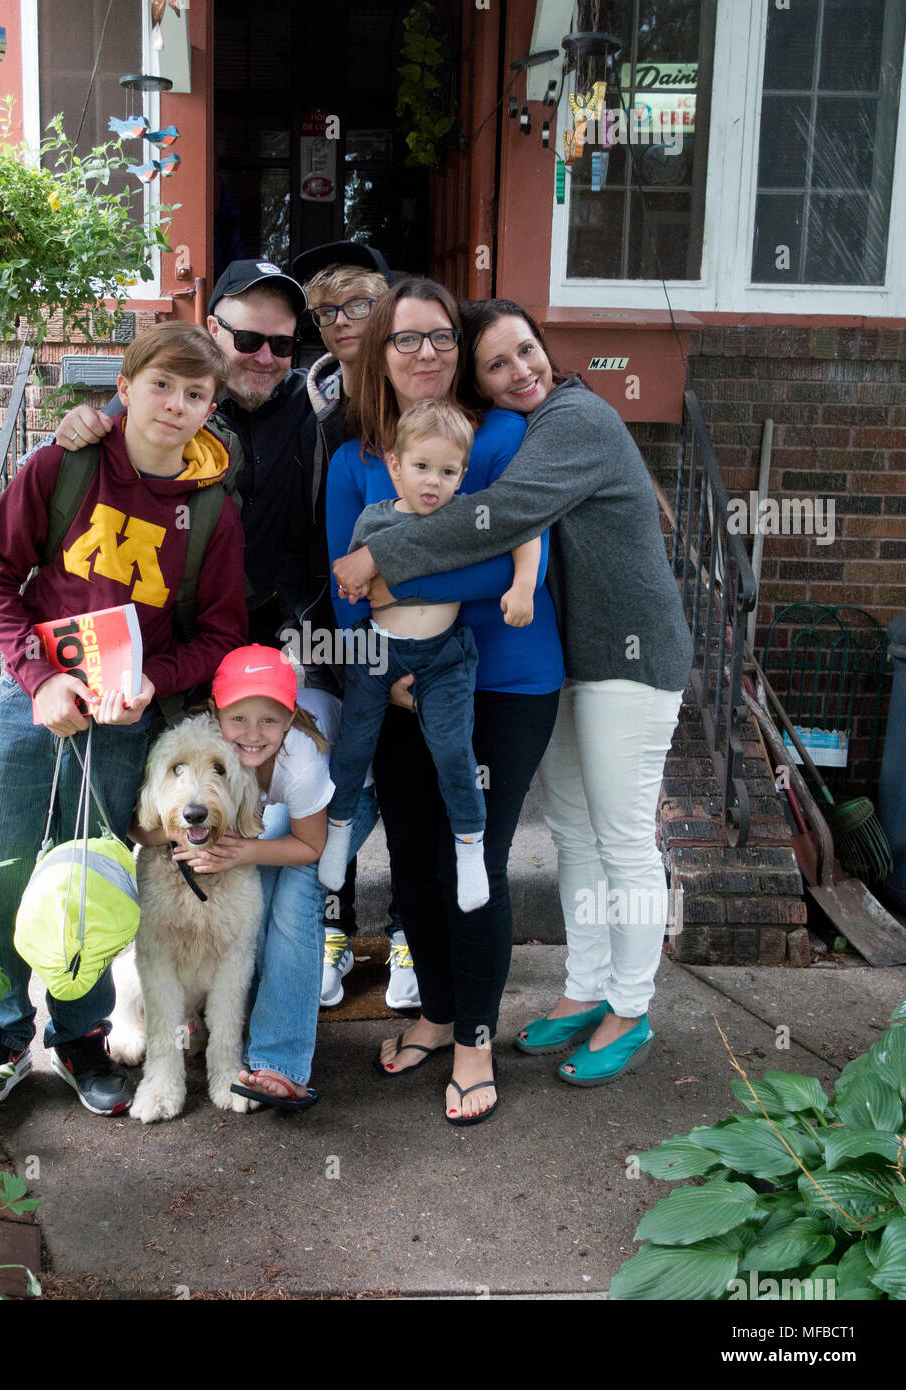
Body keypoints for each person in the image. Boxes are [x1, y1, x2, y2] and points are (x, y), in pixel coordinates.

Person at [334, 298, 692, 1088]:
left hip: (629, 657)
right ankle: (585, 989)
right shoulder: (520, 427)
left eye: (527, 351)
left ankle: (630, 1009)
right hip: (576, 657)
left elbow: (504, 517)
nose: (519, 371)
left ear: (546, 351)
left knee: (624, 838)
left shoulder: (576, 417)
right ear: (481, 382)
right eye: (498, 365)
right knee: (572, 832)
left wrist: (376, 559)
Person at [0, 321, 247, 1116]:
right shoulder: (63, 464)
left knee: (93, 878)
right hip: (32, 704)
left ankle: (83, 1036)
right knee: (3, 875)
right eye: (160, 385)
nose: (175, 405)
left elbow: (222, 635)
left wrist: (155, 682)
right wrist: (37, 676)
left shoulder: (212, 512)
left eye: (195, 394)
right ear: (124, 388)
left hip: (124, 723)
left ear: (211, 408)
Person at [327, 280, 565, 1123]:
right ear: (378, 353)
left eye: (441, 339)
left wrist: (383, 567)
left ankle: (474, 1037)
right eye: (405, 339)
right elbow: (340, 586)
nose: (425, 354)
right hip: (396, 682)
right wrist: (384, 661)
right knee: (415, 867)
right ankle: (432, 1008)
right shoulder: (352, 459)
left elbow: (501, 561)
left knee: (475, 861)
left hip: (501, 680)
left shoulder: (499, 438)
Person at [321, 396, 542, 913]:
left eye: (447, 471)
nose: (433, 481)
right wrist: (357, 593)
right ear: (395, 467)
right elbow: (350, 578)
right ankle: (338, 830)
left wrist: (525, 587)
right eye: (421, 466)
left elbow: (524, 529)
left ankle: (470, 846)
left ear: (463, 475)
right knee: (353, 749)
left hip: (444, 658)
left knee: (452, 752)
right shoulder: (373, 521)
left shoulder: (468, 516)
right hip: (377, 656)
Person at [55, 259, 317, 646]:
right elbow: (102, 433)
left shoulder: (313, 401)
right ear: (213, 329)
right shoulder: (172, 405)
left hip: (272, 624)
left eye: (281, 345)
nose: (265, 357)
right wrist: (77, 425)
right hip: (167, 627)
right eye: (248, 340)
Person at [164, 645, 376, 1108]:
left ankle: (282, 1064)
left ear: (289, 716)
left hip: (344, 800)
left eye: (268, 720)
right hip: (290, 807)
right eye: (239, 719)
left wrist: (244, 850)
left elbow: (311, 847)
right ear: (216, 712)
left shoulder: (299, 760)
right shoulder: (212, 749)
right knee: (253, 890)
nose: (252, 734)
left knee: (296, 900)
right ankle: (243, 1019)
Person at [288, 241, 416, 1008]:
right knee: (337, 782)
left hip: (412, 626)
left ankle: (409, 937)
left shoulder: (418, 395)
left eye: (357, 304)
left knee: (410, 783)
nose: (340, 322)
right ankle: (333, 932)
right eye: (326, 310)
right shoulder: (317, 396)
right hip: (328, 624)